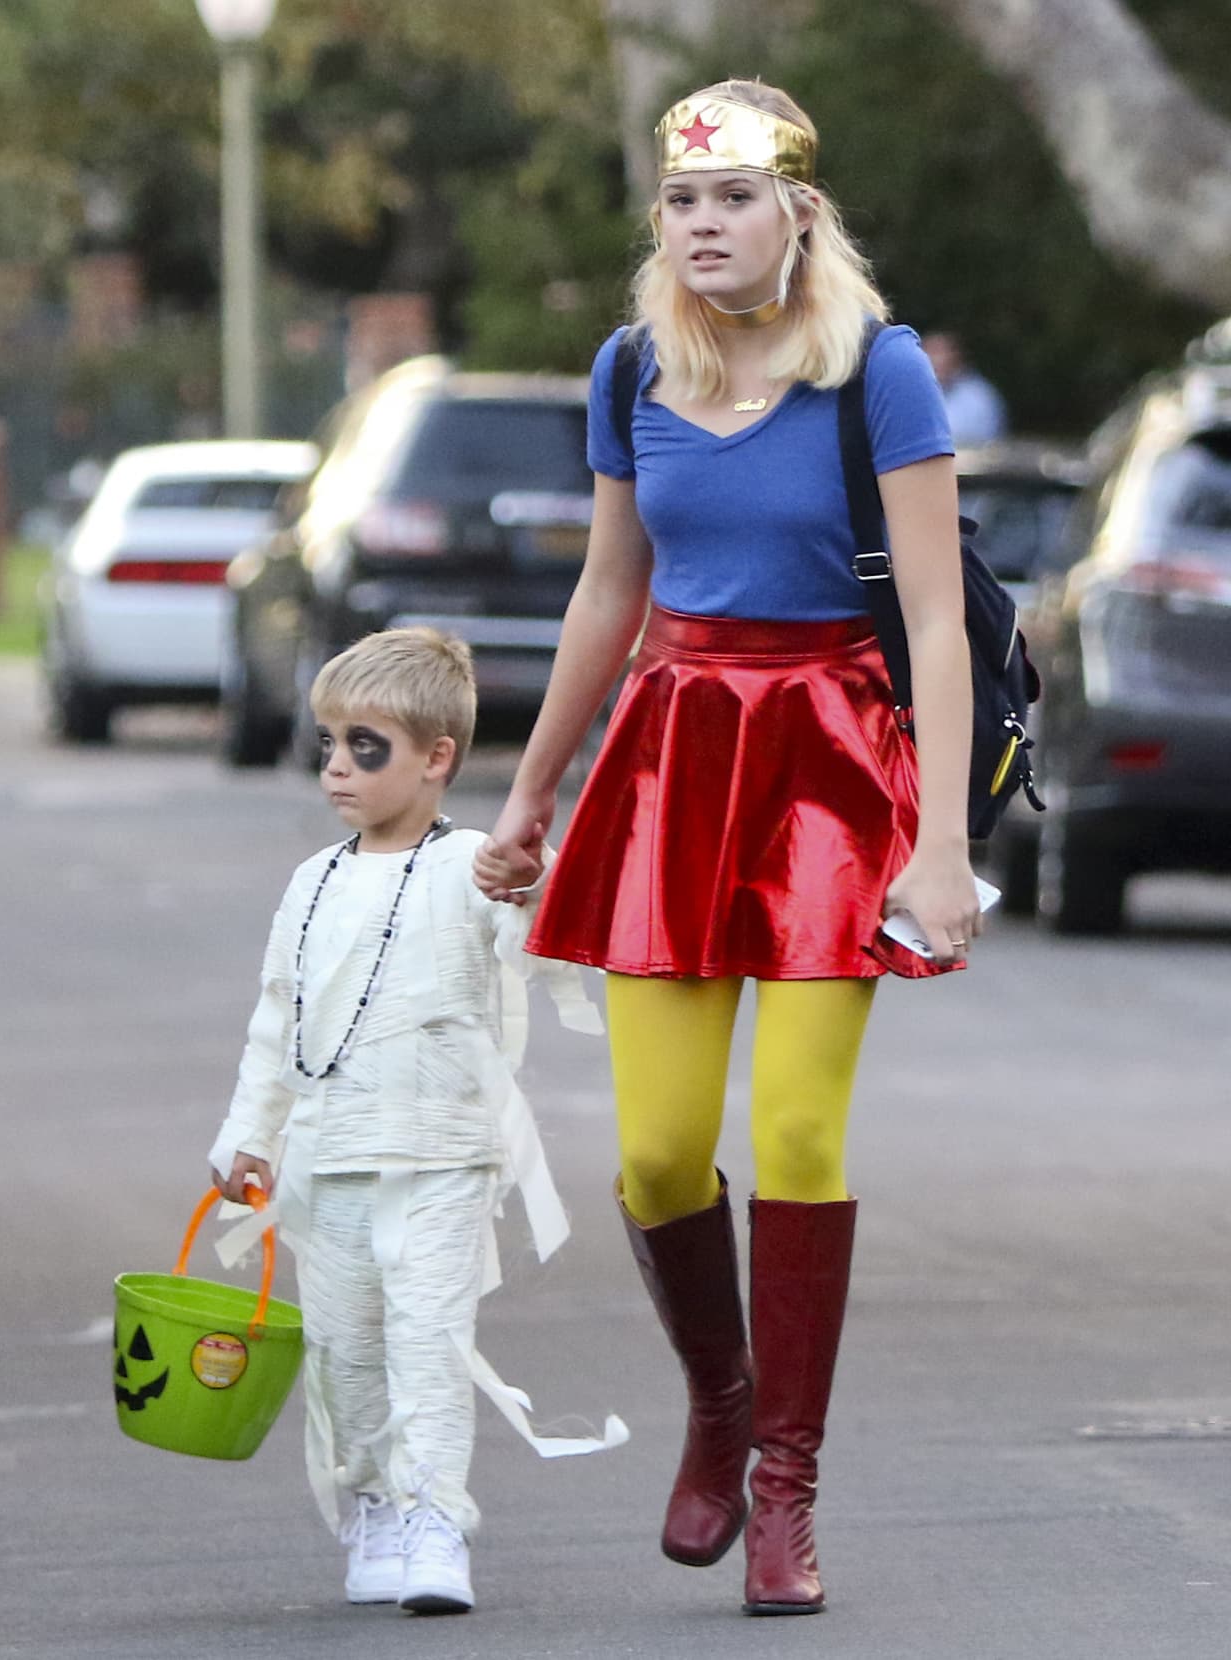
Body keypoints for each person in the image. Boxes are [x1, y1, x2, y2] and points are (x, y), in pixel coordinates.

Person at [474, 79, 980, 1617]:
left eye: (734, 199)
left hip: (834, 755)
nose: (703, 225)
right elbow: (604, 596)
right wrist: (529, 789)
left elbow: (944, 620)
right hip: (676, 748)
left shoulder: (877, 372)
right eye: (682, 203)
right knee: (652, 1148)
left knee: (804, 1139)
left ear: (797, 214)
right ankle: (718, 1396)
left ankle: (786, 1487)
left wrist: (942, 845)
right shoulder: (633, 365)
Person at [207, 627, 621, 1618]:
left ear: (437, 757)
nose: (337, 769)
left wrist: (530, 877)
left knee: (428, 1338)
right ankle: (371, 1505)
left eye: (366, 747)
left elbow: (554, 944)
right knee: (346, 1353)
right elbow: (278, 1018)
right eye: (328, 745)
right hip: (328, 1165)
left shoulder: (472, 864)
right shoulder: (310, 884)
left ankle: (435, 1515)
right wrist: (249, 1135)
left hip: (440, 1156)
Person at [921, 329, 1009, 446]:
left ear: (956, 357)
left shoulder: (980, 397)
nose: (937, 360)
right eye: (931, 353)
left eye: (941, 353)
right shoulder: (906, 394)